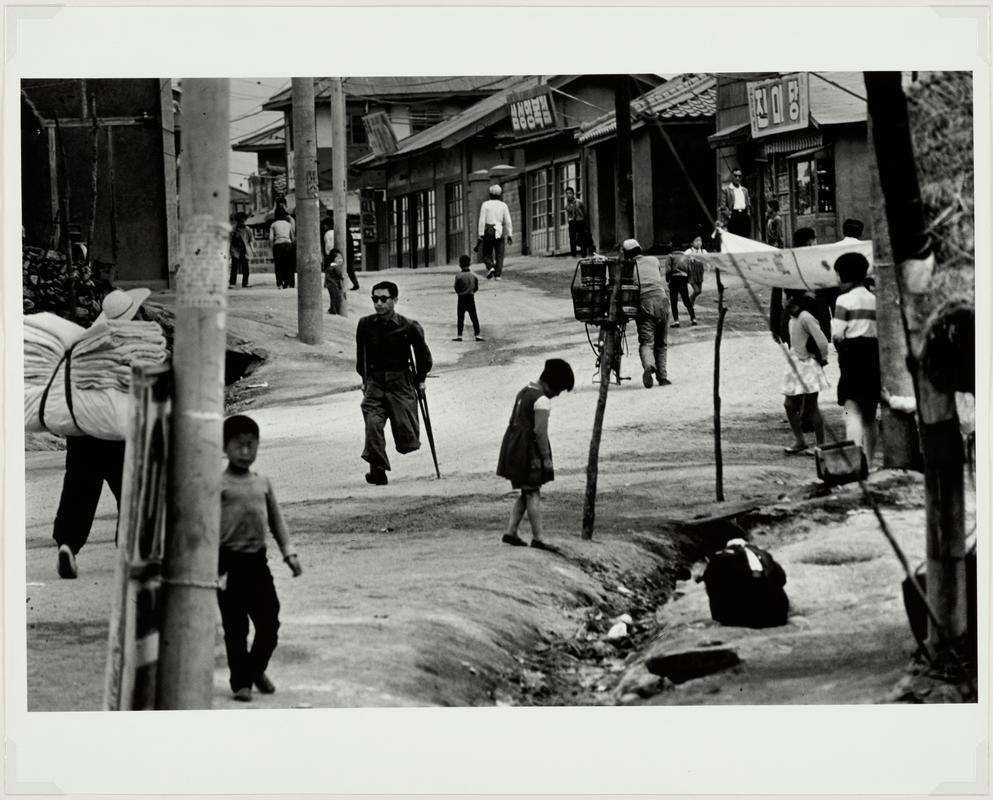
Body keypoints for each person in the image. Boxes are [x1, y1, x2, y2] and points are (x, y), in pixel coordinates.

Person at [53, 287, 151, 579]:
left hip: (82, 430)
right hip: (116, 429)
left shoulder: (86, 344)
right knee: (131, 488)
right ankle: (128, 547)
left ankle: (67, 545)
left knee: (78, 490)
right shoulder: (131, 347)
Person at [218, 414, 302, 702]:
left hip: (257, 563)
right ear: (224, 447)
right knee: (235, 627)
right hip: (226, 564)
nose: (245, 452)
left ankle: (255, 668)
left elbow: (276, 521)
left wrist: (288, 551)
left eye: (251, 445)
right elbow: (202, 524)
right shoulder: (218, 485)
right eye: (239, 445)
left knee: (269, 622)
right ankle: (241, 681)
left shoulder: (262, 483)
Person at [355, 281, 433, 486]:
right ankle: (377, 470)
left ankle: (403, 444)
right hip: (375, 382)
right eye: (375, 299)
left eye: (383, 299)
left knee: (407, 439)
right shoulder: (365, 325)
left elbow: (423, 357)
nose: (378, 303)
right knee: (372, 423)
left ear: (395, 300)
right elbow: (360, 357)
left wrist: (421, 379)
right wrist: (365, 380)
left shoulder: (409, 326)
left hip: (401, 381)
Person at [496, 358, 575, 552]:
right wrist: (546, 458)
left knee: (526, 491)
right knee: (533, 492)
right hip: (528, 452)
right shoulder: (542, 400)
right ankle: (538, 537)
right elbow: (540, 432)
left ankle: (511, 531)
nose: (557, 395)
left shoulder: (524, 392)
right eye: (558, 390)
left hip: (514, 448)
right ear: (553, 384)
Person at [831, 252, 880, 466]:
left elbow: (837, 334)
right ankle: (869, 462)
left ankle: (854, 462)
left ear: (844, 275)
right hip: (873, 354)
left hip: (852, 354)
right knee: (870, 414)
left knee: (852, 411)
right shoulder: (875, 299)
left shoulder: (844, 300)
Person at [782, 293, 830, 455]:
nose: (783, 301)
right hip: (795, 364)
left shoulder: (805, 317)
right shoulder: (792, 318)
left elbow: (822, 341)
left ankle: (821, 444)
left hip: (808, 365)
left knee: (811, 406)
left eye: (785, 297)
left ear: (791, 299)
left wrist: (821, 359)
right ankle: (800, 440)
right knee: (789, 405)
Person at [623, 238, 671, 388]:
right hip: (662, 301)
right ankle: (662, 378)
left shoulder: (629, 266)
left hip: (644, 304)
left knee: (646, 342)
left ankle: (649, 365)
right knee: (661, 343)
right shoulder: (653, 260)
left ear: (627, 254)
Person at [477, 184, 513, 280]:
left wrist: (480, 234)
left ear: (490, 194)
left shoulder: (485, 204)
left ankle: (490, 266)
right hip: (500, 230)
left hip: (489, 229)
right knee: (500, 253)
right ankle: (498, 274)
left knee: (486, 252)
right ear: (500, 195)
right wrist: (510, 234)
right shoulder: (503, 205)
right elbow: (508, 220)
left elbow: (481, 220)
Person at [453, 254, 483, 342]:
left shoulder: (458, 276)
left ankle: (459, 335)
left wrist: (460, 292)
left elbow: (456, 287)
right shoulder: (473, 275)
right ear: (470, 264)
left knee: (460, 317)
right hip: (470, 297)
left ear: (460, 264)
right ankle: (477, 335)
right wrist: (472, 291)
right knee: (474, 317)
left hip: (461, 298)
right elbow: (476, 287)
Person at [666, 251, 696, 328]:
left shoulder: (671, 255)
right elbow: (689, 269)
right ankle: (693, 318)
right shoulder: (686, 256)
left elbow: (668, 269)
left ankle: (676, 320)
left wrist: (667, 279)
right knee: (686, 299)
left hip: (674, 278)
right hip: (683, 278)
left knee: (673, 301)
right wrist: (688, 279)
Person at [719, 167, 751, 237]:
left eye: (739, 176)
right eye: (735, 176)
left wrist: (748, 214)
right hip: (733, 216)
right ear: (732, 176)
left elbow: (748, 204)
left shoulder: (745, 190)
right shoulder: (726, 190)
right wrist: (730, 216)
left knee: (745, 239)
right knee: (735, 239)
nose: (737, 178)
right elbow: (723, 207)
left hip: (744, 216)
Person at [270, 206, 295, 289]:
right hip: (288, 245)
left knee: (278, 265)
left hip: (278, 245)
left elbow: (270, 238)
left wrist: (271, 248)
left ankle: (279, 284)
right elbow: (292, 237)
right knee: (288, 265)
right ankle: (287, 283)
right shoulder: (288, 224)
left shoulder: (273, 225)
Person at [229, 212, 254, 288]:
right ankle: (232, 283)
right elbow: (229, 240)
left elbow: (250, 240)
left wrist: (252, 249)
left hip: (244, 250)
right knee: (234, 267)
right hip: (235, 249)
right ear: (238, 221)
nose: (242, 222)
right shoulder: (233, 229)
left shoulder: (248, 229)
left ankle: (245, 283)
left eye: (243, 220)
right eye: (240, 220)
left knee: (245, 267)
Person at [564, 186, 590, 258]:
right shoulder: (566, 205)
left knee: (582, 237)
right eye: (567, 193)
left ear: (573, 194)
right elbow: (569, 214)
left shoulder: (579, 202)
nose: (568, 195)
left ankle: (583, 253)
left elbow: (584, 212)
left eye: (570, 193)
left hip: (580, 221)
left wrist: (584, 221)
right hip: (572, 222)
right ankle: (573, 254)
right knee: (572, 237)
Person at [684, 234, 706, 311]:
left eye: (700, 240)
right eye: (696, 241)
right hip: (691, 274)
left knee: (699, 291)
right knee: (696, 290)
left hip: (700, 273)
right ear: (692, 243)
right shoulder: (689, 251)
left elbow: (709, 259)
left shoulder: (703, 251)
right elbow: (683, 260)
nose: (699, 242)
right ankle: (690, 303)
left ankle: (690, 302)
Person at [324, 247, 346, 314]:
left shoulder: (331, 266)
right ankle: (333, 309)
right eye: (338, 258)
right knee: (336, 297)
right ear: (333, 259)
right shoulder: (335, 266)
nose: (340, 260)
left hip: (330, 284)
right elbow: (339, 274)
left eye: (341, 258)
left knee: (333, 297)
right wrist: (342, 276)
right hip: (333, 284)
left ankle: (332, 309)